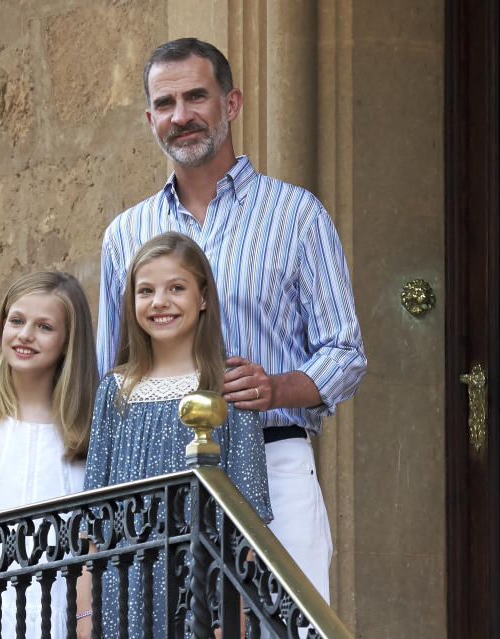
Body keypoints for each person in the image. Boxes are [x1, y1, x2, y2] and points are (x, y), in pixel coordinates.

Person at [96, 38, 367, 608]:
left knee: (287, 621)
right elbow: (111, 361)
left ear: (232, 103)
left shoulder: (296, 214)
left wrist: (275, 388)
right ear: (150, 119)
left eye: (197, 97)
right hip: (156, 471)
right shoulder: (125, 233)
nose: (181, 116)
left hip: (274, 454)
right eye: (165, 104)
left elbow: (344, 350)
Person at [85, 232, 272, 637]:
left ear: (203, 296)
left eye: (176, 288)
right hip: (126, 587)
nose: (159, 302)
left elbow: (246, 520)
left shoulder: (227, 386)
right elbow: (94, 520)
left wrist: (233, 618)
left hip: (204, 589)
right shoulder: (114, 390)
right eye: (146, 290)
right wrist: (87, 615)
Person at [0, 271, 98, 639]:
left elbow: (92, 537)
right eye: (17, 320)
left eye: (45, 326)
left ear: (67, 342)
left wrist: (84, 618)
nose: (25, 334)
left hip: (63, 605)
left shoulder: (89, 430)